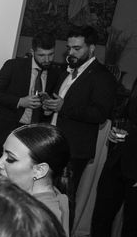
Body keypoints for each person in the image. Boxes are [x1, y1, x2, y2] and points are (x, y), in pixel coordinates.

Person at [42, 25, 115, 199]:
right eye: (69, 48)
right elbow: (59, 103)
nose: (71, 53)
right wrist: (49, 107)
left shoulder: (102, 76)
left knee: (64, 200)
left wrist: (63, 107)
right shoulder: (67, 71)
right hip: (53, 144)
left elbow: (100, 113)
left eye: (77, 48)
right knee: (46, 196)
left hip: (74, 150)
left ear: (91, 49)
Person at [0, 31, 61, 168]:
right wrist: (20, 101)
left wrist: (48, 110)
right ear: (32, 52)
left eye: (51, 54)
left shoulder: (55, 74)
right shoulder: (14, 66)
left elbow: (46, 111)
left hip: (31, 138)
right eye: (42, 55)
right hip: (3, 133)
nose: (47, 60)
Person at [88, 82, 137, 237]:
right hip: (118, 161)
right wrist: (115, 134)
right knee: (101, 214)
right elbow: (127, 116)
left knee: (132, 227)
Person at [0, 124, 71, 236]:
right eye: (2, 153)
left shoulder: (34, 223)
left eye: (11, 159)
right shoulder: (46, 195)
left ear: (40, 170)